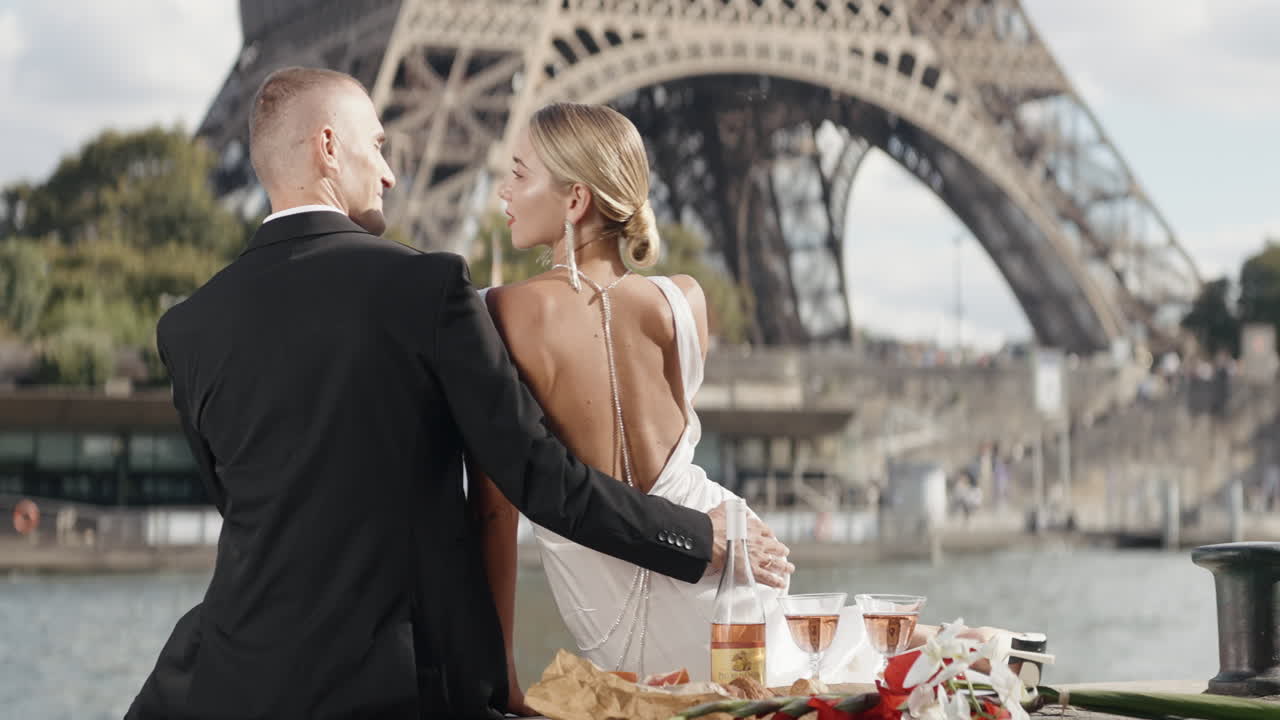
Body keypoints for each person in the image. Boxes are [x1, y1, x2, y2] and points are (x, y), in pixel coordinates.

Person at [125, 68, 787, 720]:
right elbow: (538, 479)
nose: (388, 173)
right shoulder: (427, 287)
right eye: (378, 146)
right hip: (402, 682)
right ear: (328, 147)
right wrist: (701, 539)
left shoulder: (188, 327)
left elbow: (243, 507)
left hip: (236, 680)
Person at [467, 103, 802, 708]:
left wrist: (504, 676)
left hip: (612, 614)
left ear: (575, 201)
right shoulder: (684, 302)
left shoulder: (500, 315)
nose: (503, 191)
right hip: (727, 584)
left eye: (519, 174)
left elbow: (495, 513)